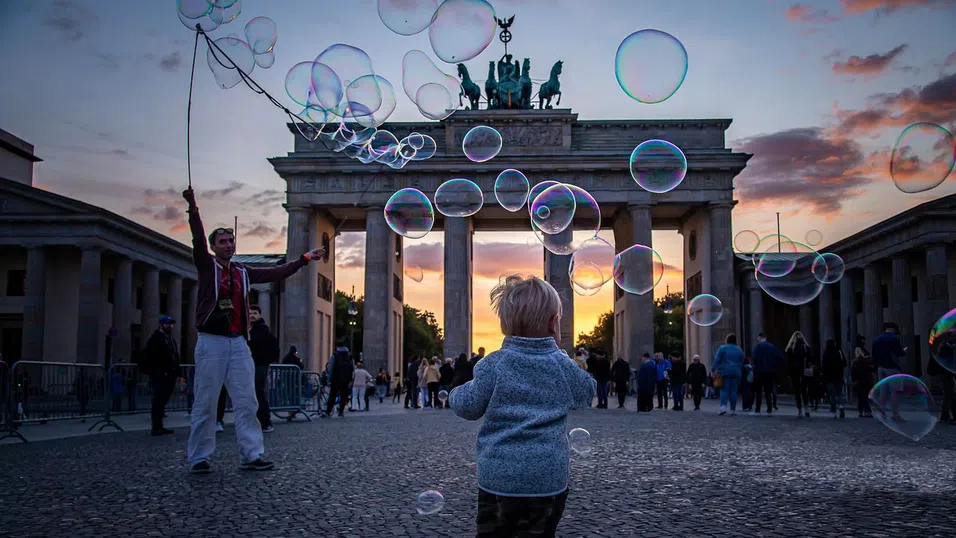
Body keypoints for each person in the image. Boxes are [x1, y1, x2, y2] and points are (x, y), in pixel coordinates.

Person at [181, 186, 325, 473]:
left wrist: (304, 259)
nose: (228, 244)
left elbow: (276, 272)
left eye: (231, 240)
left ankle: (252, 454)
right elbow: (197, 238)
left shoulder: (243, 272)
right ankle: (199, 456)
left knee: (247, 400)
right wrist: (193, 207)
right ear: (214, 246)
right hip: (211, 341)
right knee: (207, 402)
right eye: (222, 241)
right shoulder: (207, 266)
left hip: (237, 342)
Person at [449, 275, 595, 537]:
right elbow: (587, 392)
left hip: (498, 479)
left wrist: (453, 393)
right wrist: (564, 360)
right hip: (547, 480)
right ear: (554, 324)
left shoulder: (492, 364)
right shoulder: (561, 365)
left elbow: (469, 407)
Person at [141, 315, 181, 436]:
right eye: (167, 324)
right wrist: (155, 371)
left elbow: (175, 355)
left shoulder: (170, 339)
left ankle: (160, 426)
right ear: (161, 325)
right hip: (160, 374)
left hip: (170, 374)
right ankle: (156, 426)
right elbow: (148, 355)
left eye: (171, 324)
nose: (170, 326)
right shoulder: (156, 339)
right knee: (158, 400)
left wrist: (178, 372)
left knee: (163, 399)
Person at [247, 305, 279, 433]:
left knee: (259, 392)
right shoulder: (248, 329)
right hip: (250, 364)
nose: (252, 315)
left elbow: (274, 347)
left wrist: (266, 360)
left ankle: (266, 422)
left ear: (259, 315)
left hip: (260, 364)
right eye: (250, 313)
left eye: (254, 313)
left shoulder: (263, 330)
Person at [871, 322, 907, 420]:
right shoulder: (894, 338)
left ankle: (881, 413)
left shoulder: (876, 339)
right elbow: (899, 353)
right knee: (894, 392)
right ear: (893, 329)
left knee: (883, 392)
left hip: (880, 368)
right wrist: (904, 352)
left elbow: (873, 356)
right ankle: (895, 415)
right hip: (892, 367)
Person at [712, 334, 745, 416]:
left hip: (725, 371)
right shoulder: (739, 350)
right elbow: (742, 361)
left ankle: (723, 407)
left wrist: (713, 369)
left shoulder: (723, 348)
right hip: (736, 372)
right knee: (734, 391)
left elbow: (717, 359)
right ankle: (733, 410)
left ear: (727, 340)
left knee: (724, 390)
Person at [751, 333, 782, 416]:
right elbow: (779, 357)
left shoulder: (757, 347)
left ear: (759, 338)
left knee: (759, 391)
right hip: (770, 372)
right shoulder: (772, 347)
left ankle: (758, 410)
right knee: (768, 391)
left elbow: (753, 358)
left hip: (759, 372)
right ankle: (769, 409)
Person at [785, 331, 812, 418]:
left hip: (794, 372)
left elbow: (788, 362)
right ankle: (807, 408)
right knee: (804, 390)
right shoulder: (806, 347)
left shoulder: (790, 348)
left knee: (797, 391)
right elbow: (810, 359)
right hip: (804, 372)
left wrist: (788, 373)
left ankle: (800, 410)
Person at [323, 346, 354, 417]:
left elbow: (330, 368)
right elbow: (352, 369)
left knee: (332, 396)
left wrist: (328, 378)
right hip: (346, 380)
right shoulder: (350, 357)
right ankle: (341, 411)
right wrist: (351, 380)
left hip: (336, 379)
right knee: (344, 396)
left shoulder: (334, 356)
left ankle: (328, 411)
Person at [821, 339, 847, 419]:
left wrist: (824, 377)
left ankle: (834, 411)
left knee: (832, 394)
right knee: (839, 393)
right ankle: (841, 406)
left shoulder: (826, 353)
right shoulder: (839, 351)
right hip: (838, 375)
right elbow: (844, 363)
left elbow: (823, 366)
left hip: (829, 377)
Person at [850, 341, 875, 418]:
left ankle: (860, 411)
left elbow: (853, 373)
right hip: (867, 380)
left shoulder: (854, 362)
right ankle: (867, 411)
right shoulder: (866, 361)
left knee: (860, 396)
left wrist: (853, 380)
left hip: (859, 381)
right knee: (865, 396)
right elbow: (872, 369)